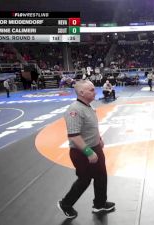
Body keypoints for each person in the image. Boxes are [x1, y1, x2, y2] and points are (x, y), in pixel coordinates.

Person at [57, 80, 115, 219]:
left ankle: (99, 204)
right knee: (85, 180)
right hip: (82, 152)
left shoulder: (88, 106)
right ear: (82, 92)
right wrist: (88, 152)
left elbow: (91, 127)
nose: (95, 92)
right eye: (91, 90)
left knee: (101, 176)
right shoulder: (74, 110)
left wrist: (99, 139)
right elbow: (74, 136)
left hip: (95, 147)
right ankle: (65, 204)